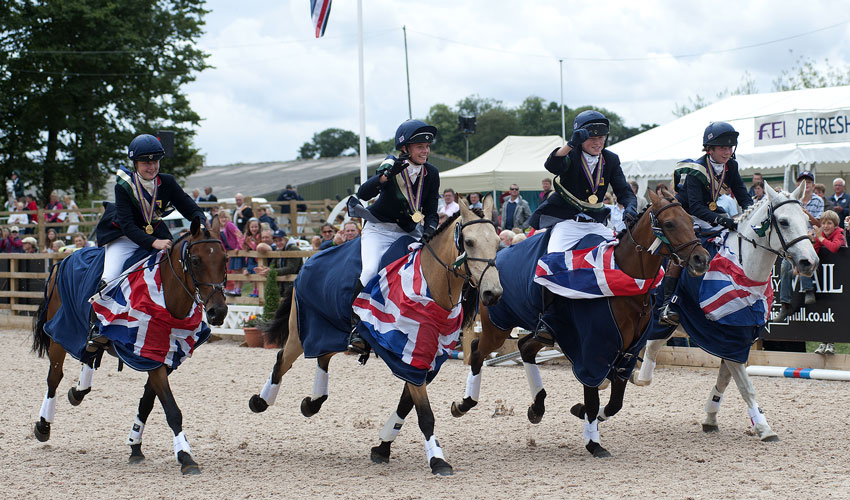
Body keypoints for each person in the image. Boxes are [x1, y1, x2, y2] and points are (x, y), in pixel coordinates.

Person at [528, 110, 637, 344]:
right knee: (552, 262)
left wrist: (630, 207)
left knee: (624, 255)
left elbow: (624, 191)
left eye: (602, 138)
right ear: (580, 138)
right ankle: (549, 318)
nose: (598, 142)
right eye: (592, 138)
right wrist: (570, 145)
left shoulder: (611, 159)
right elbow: (552, 164)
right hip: (568, 223)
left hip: (596, 224)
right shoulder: (571, 156)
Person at [92, 134, 206, 350]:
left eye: (155, 161)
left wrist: (201, 221)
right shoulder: (124, 186)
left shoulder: (167, 182)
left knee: (179, 269)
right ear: (135, 164)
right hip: (124, 237)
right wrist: (153, 243)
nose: (152, 166)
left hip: (156, 233)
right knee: (110, 277)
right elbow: (127, 225)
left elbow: (188, 206)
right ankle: (98, 327)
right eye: (146, 162)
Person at [346, 119, 440, 354]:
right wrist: (384, 177)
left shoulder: (432, 173)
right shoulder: (391, 164)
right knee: (370, 271)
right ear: (405, 148)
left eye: (427, 146)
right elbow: (364, 192)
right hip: (380, 229)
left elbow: (431, 210)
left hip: (410, 231)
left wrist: (430, 229)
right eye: (420, 146)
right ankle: (357, 327)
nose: (425, 151)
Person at [658, 122, 753, 326]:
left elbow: (742, 194)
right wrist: (725, 220)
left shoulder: (731, 166)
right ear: (709, 149)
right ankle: (668, 303)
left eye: (730, 148)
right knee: (683, 251)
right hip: (687, 214)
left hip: (709, 212)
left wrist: (752, 211)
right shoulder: (696, 169)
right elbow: (696, 206)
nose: (727, 152)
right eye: (722, 148)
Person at [776, 171, 824, 321]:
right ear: (797, 185)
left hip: (812, 238)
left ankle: (808, 290)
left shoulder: (818, 200)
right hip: (797, 239)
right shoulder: (791, 200)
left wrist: (806, 214)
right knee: (784, 266)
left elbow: (820, 223)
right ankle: (785, 304)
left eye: (808, 182)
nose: (806, 185)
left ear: (813, 185)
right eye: (802, 182)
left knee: (803, 257)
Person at [808, 210, 846, 355]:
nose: (825, 226)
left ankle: (832, 342)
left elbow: (834, 248)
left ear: (835, 225)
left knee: (836, 311)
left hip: (840, 280)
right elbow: (815, 252)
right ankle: (824, 342)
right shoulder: (820, 236)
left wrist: (820, 239)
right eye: (823, 223)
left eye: (829, 223)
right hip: (825, 279)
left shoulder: (839, 234)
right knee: (824, 310)